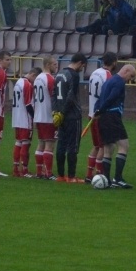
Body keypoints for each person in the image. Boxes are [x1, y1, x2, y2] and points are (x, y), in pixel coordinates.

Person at [93, 64, 136, 189]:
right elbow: (111, 98)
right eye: (131, 76)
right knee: (124, 145)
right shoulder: (119, 82)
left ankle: (106, 179)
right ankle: (118, 178)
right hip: (112, 116)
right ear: (126, 70)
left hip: (103, 118)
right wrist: (101, 110)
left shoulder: (108, 81)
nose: (130, 79)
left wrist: (97, 110)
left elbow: (100, 98)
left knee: (109, 147)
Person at [53, 53, 87, 183]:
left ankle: (61, 176)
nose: (82, 69)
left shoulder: (60, 73)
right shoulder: (74, 75)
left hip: (60, 116)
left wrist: (56, 111)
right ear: (79, 63)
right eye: (83, 66)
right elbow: (71, 96)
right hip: (72, 115)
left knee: (61, 144)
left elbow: (54, 93)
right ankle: (72, 177)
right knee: (73, 146)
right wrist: (63, 111)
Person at [85, 52, 117, 182]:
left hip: (91, 113)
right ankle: (100, 175)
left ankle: (89, 174)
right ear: (114, 62)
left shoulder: (94, 72)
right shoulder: (108, 75)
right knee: (103, 146)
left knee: (97, 145)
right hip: (101, 115)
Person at [32, 55, 59, 180]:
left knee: (41, 143)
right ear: (48, 65)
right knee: (50, 144)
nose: (56, 66)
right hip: (48, 116)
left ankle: (39, 172)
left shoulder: (38, 78)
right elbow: (53, 97)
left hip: (38, 115)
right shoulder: (50, 79)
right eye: (54, 64)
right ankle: (48, 173)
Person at [11, 67, 40, 177]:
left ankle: (15, 168)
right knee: (26, 143)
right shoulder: (27, 85)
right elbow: (28, 104)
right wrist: (35, 118)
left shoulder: (19, 82)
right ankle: (24, 170)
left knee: (18, 142)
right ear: (33, 74)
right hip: (25, 118)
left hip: (16, 117)